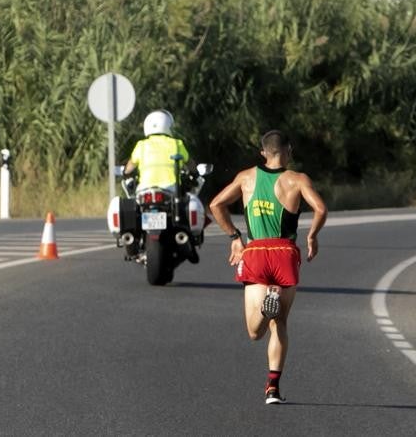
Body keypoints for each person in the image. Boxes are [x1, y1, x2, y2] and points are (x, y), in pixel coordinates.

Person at [207, 130, 327, 405]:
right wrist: (312, 236)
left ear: (263, 152)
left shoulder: (246, 177)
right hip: (285, 253)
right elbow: (320, 209)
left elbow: (216, 204)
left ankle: (264, 307)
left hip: (256, 251)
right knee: (281, 323)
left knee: (254, 332)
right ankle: (272, 388)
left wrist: (235, 238)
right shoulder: (297, 180)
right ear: (289, 150)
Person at [117, 109, 190, 190]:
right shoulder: (177, 143)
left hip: (145, 187)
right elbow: (189, 162)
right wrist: (195, 173)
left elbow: (130, 167)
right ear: (169, 126)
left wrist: (125, 173)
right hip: (172, 188)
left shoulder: (141, 145)